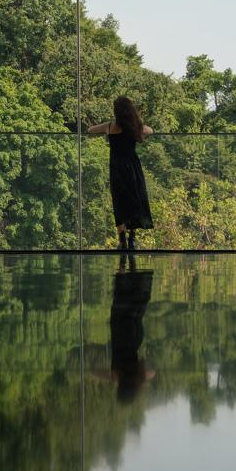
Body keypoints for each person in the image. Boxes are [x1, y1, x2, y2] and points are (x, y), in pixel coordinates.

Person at [87, 96, 154, 251]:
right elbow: (150, 130)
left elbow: (90, 130)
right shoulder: (135, 127)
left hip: (117, 168)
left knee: (119, 201)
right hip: (133, 167)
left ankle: (122, 238)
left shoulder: (110, 126)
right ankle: (132, 238)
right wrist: (137, 123)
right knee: (134, 199)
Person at [110, 254, 155, 403]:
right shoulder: (118, 371)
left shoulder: (123, 371)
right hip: (123, 320)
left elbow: (151, 373)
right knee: (126, 284)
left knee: (132, 288)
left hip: (128, 322)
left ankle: (127, 254)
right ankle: (127, 254)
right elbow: (150, 372)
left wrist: (139, 380)